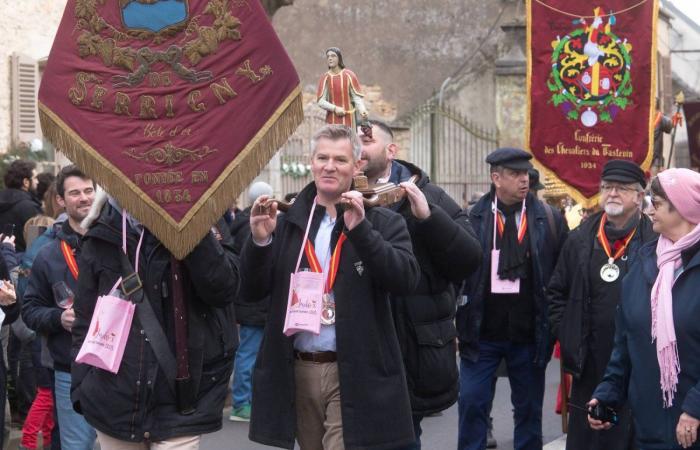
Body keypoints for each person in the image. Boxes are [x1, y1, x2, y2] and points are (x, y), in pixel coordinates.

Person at [241, 124, 420, 449]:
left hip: (353, 370)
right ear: (312, 162)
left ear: (357, 166)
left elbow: (406, 278)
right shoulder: (289, 221)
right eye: (322, 157)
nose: (329, 166)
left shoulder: (382, 221)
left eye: (340, 159)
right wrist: (260, 240)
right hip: (299, 367)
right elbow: (251, 292)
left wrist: (362, 232)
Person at [71, 188, 240, 449]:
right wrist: (82, 386)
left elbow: (223, 289)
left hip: (183, 398)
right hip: (114, 399)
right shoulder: (102, 230)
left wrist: (191, 225)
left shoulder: (203, 218)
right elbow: (84, 317)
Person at [359, 120, 482, 448]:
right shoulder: (335, 196)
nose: (358, 146)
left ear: (391, 150)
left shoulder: (427, 193)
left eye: (367, 140)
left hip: (410, 344)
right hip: (356, 345)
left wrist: (430, 219)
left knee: (402, 438)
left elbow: (470, 258)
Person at [457, 147, 568, 450]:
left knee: (529, 413)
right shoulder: (472, 218)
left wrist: (557, 325)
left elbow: (562, 276)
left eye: (526, 174)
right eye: (515, 174)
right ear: (496, 178)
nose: (524, 180)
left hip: (529, 336)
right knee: (472, 406)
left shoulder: (549, 219)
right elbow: (456, 274)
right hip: (481, 336)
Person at [548, 160, 656, 450]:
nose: (612, 194)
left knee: (630, 438)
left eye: (622, 189)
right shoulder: (579, 239)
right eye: (607, 187)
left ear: (638, 196)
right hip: (590, 361)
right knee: (590, 439)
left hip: (636, 362)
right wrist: (567, 331)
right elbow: (556, 292)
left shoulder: (655, 241)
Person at [590, 168, 700, 449]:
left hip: (693, 426)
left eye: (658, 204)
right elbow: (625, 344)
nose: (649, 210)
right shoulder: (643, 264)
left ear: (684, 209)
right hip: (647, 429)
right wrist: (607, 394)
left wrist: (695, 408)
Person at [21, 165, 97, 449]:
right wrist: (57, 317)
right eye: (75, 193)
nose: (84, 198)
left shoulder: (117, 244)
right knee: (76, 446)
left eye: (89, 191)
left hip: (117, 368)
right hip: (70, 367)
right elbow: (29, 309)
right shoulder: (48, 254)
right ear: (61, 201)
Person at [228, 181, 273, 422]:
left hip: (246, 301)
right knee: (249, 351)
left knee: (250, 351)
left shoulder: (240, 223)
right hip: (254, 302)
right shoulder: (253, 226)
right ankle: (241, 402)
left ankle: (246, 400)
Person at [316, 47, 368, 130]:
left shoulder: (349, 75)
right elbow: (321, 101)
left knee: (349, 140)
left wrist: (362, 110)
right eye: (328, 56)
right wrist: (335, 108)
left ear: (339, 58)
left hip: (349, 118)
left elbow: (356, 97)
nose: (330, 58)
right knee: (333, 140)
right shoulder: (325, 78)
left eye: (333, 56)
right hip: (332, 118)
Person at [0, 160, 42, 252]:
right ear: (26, 182)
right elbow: (35, 244)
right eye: (35, 178)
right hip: (20, 262)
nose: (37, 182)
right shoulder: (29, 207)